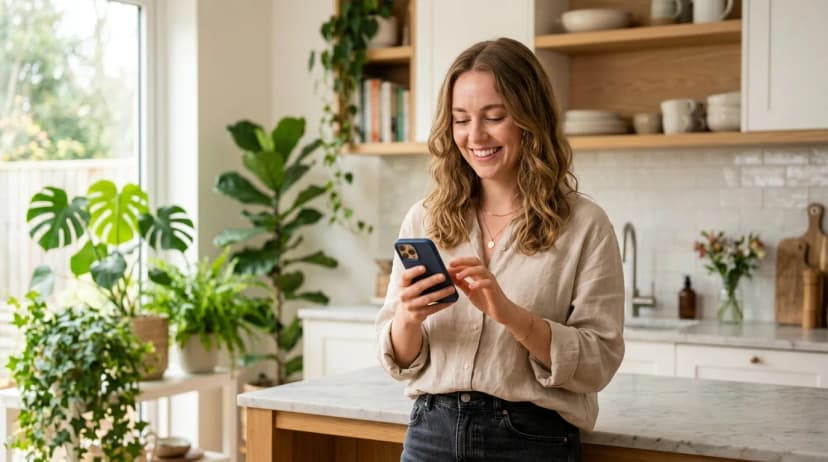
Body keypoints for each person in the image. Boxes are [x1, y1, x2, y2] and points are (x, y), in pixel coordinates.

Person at [375, 37, 625, 462]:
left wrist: (513, 317)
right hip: (430, 435)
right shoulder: (425, 219)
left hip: (531, 440)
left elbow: (599, 361)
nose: (475, 136)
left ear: (530, 119)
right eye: (461, 119)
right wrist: (408, 318)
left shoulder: (585, 225)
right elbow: (398, 359)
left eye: (494, 117)